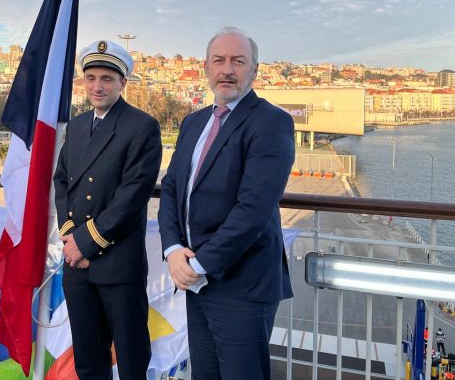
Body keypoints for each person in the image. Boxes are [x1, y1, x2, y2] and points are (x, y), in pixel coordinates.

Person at [158, 27, 294, 379]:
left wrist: (198, 265)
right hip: (196, 280)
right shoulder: (193, 122)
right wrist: (173, 250)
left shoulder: (272, 122)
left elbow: (253, 211)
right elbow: (171, 187)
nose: (227, 70)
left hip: (242, 285)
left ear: (255, 70)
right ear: (206, 67)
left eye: (238, 61)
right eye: (219, 60)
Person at [54, 40, 162, 379]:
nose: (97, 86)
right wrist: (70, 238)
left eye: (106, 79)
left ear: (122, 83)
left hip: (117, 263)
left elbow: (132, 196)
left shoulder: (141, 126)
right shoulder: (77, 125)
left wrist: (85, 244)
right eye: (90, 78)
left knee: (131, 359)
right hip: (77, 264)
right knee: (88, 360)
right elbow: (62, 182)